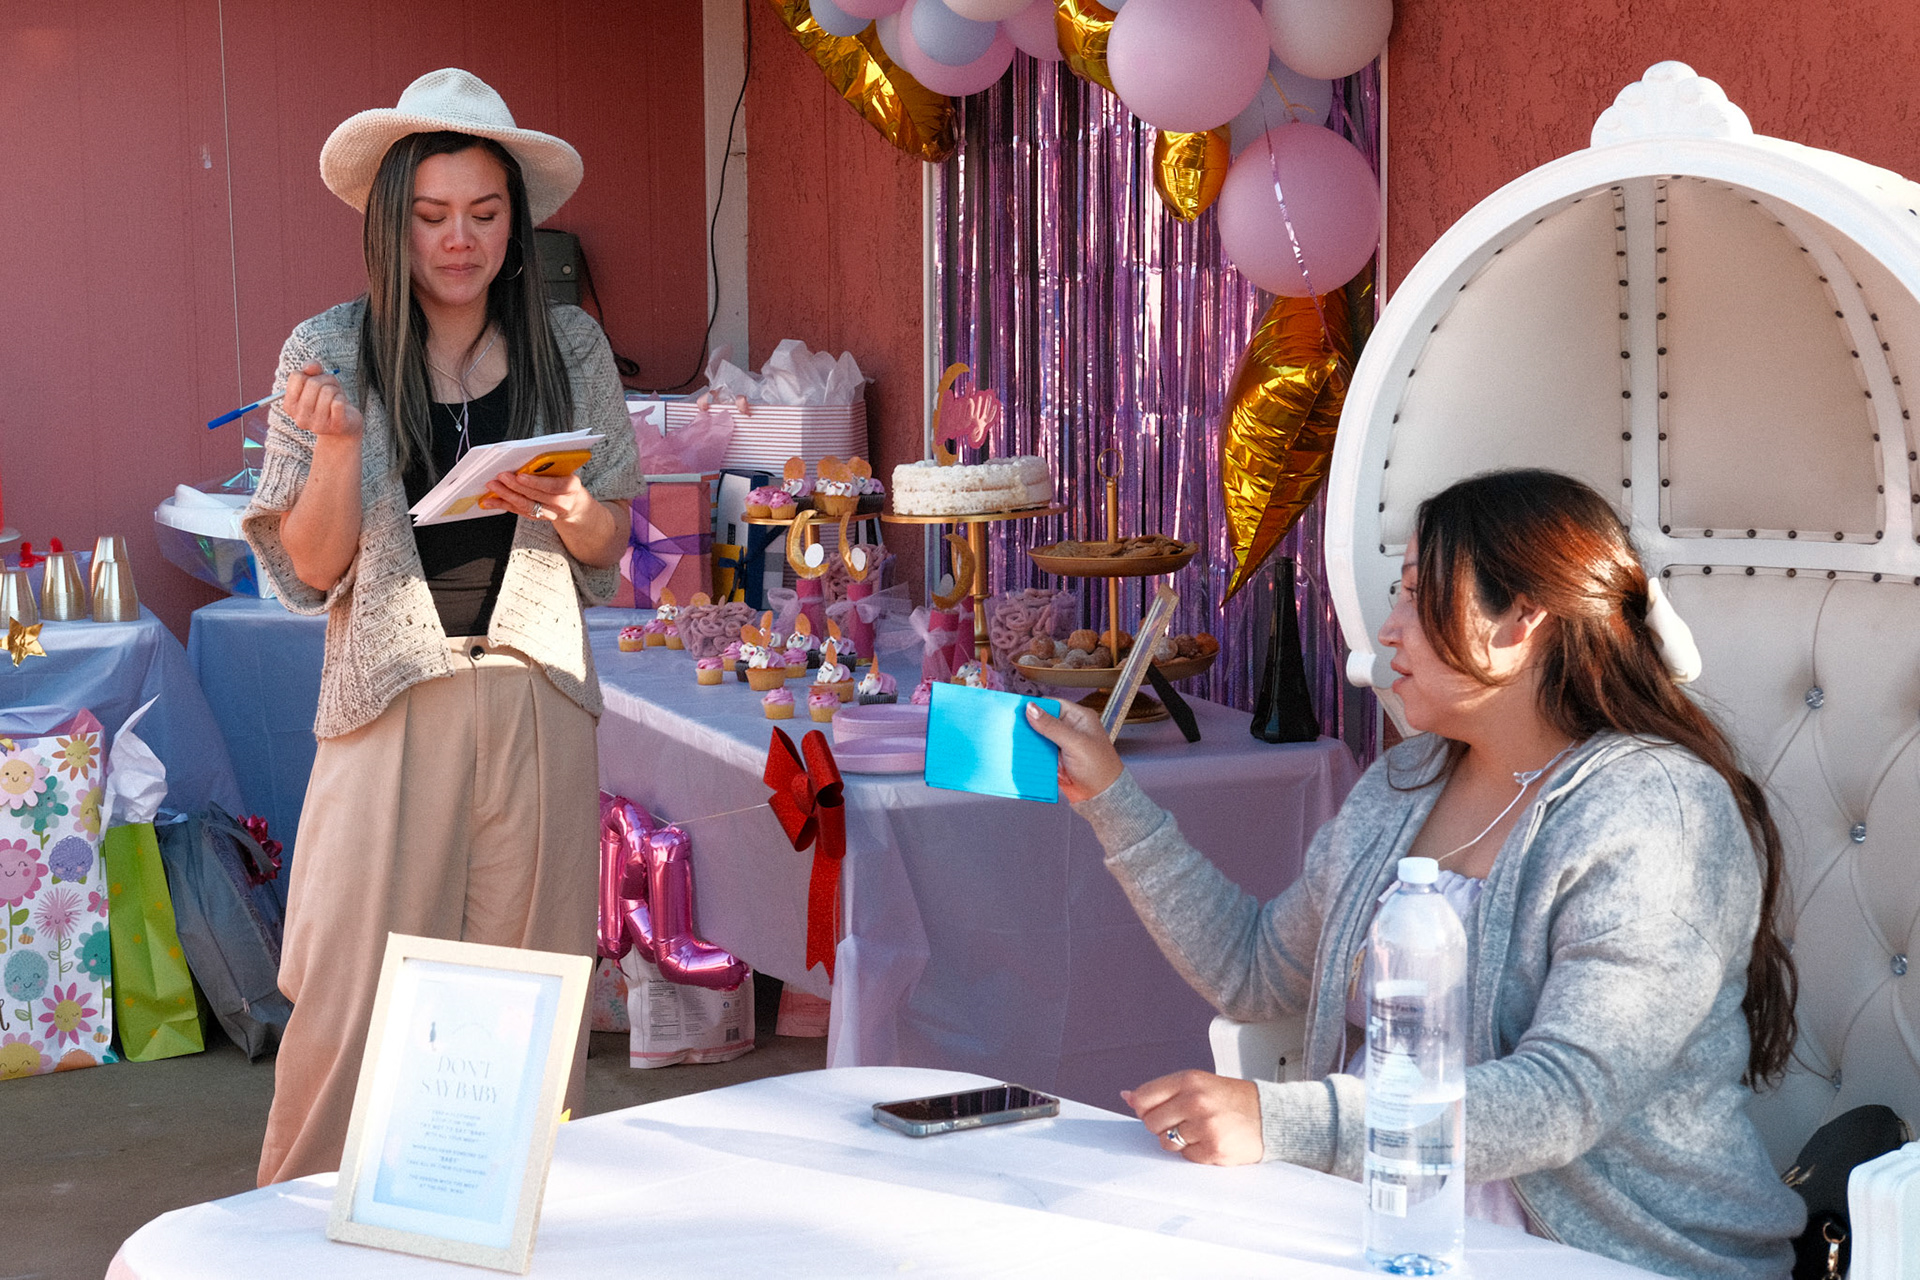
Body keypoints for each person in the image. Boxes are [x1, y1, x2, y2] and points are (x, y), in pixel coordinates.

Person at [1027, 469, 1806, 1278]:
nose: (1389, 629)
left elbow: (1563, 1097)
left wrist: (1282, 1122)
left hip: (1613, 1261)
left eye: (1415, 596)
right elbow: (1255, 973)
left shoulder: (1657, 810)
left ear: (1522, 622)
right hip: (1385, 1234)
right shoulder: (1403, 783)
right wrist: (1112, 798)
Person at [242, 69, 638, 1185]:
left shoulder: (571, 347)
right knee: (349, 995)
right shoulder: (327, 347)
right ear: (390, 222)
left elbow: (610, 539)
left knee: (526, 997)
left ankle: (498, 1224)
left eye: (483, 213)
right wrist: (333, 449)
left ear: (515, 223)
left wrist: (573, 505)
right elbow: (313, 567)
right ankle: (299, 1239)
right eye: (429, 216)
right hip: (389, 704)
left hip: (535, 693)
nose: (457, 241)